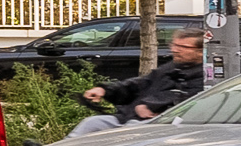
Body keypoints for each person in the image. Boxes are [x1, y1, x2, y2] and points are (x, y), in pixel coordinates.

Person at [85, 22, 213, 126]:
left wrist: (150, 105)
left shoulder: (206, 76)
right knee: (92, 123)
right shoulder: (170, 67)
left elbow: (186, 98)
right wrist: (105, 90)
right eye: (174, 45)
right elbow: (139, 84)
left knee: (130, 129)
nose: (175, 50)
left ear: (200, 51)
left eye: (183, 47)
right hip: (129, 118)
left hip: (160, 124)